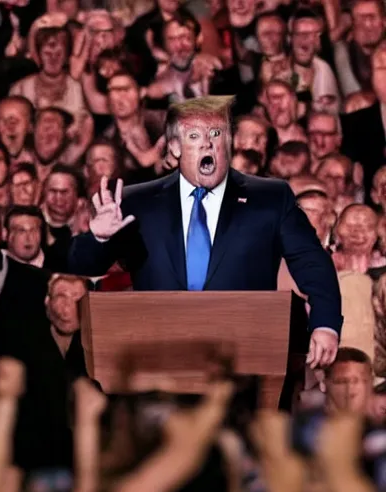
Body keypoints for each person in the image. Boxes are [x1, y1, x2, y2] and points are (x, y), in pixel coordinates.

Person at [69, 96, 342, 369]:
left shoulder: (270, 197)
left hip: (244, 358)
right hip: (159, 358)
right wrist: (99, 237)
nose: (207, 143)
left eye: (216, 133)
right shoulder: (138, 202)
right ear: (175, 147)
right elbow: (87, 265)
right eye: (194, 135)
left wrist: (326, 323)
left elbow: (311, 261)